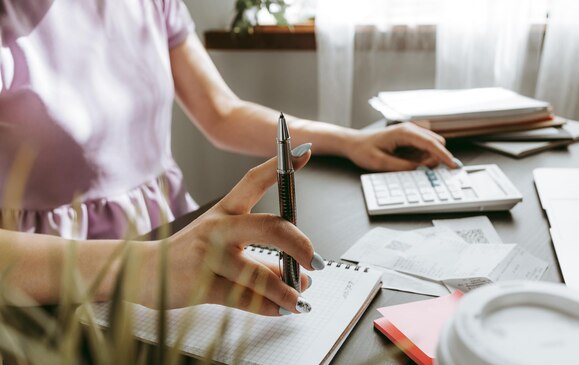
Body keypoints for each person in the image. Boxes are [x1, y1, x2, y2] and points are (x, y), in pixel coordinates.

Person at [0, 0, 458, 315]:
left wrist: (349, 140)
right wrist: (150, 266)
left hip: (174, 233)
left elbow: (221, 112)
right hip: (50, 276)